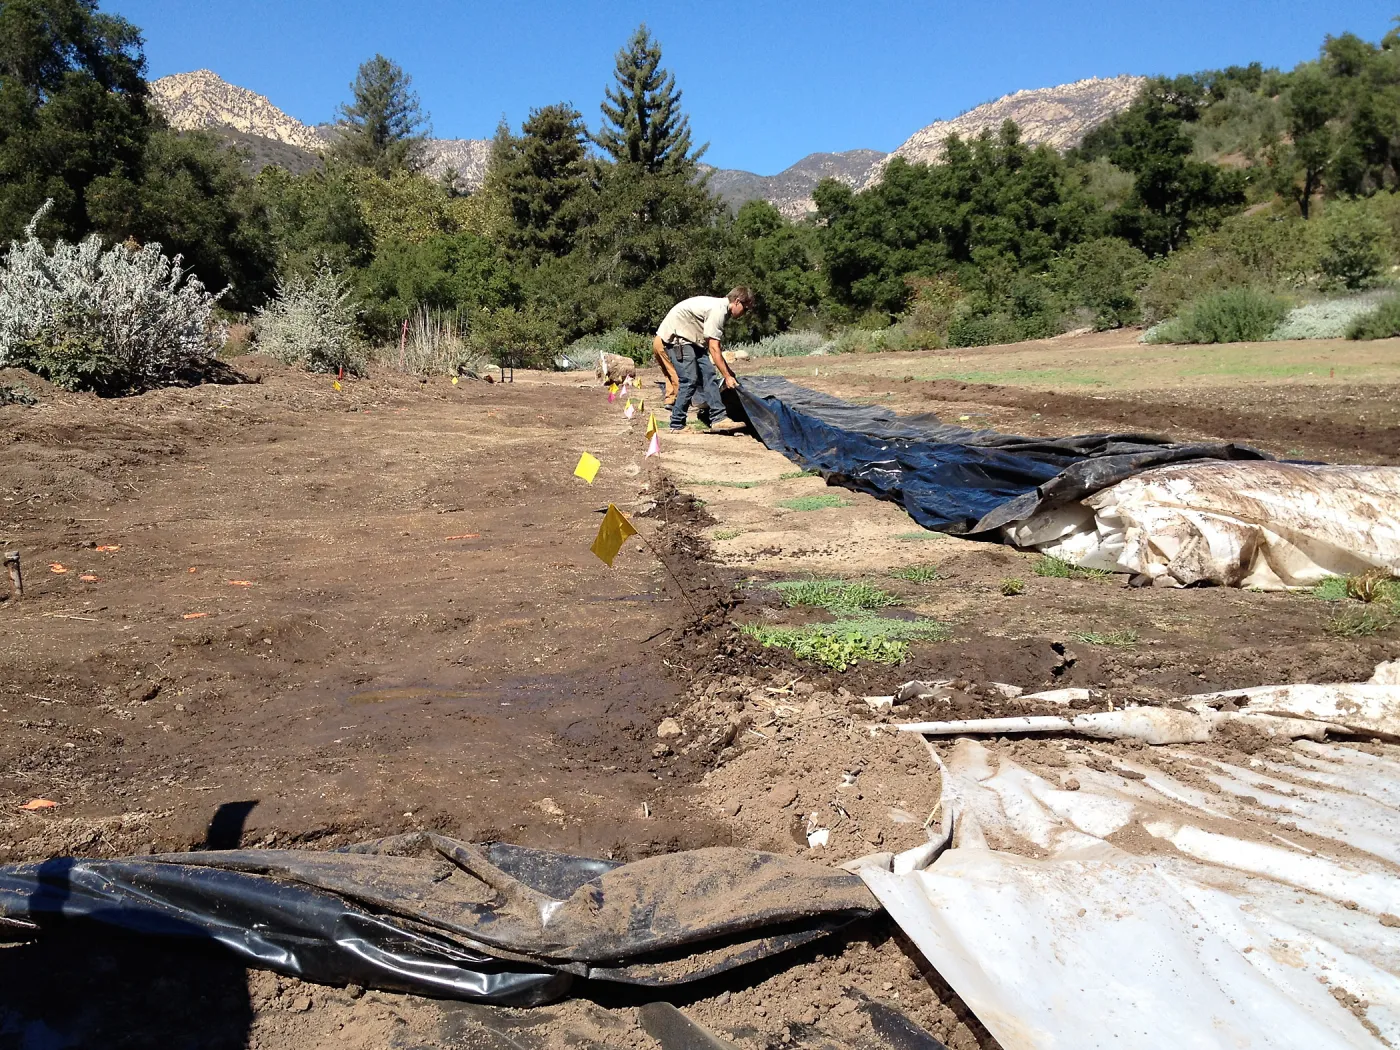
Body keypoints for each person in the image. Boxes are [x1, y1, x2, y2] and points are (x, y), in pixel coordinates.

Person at [655, 286, 754, 433]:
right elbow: (714, 348)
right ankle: (677, 423)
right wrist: (727, 376)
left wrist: (729, 373)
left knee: (709, 375)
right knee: (689, 380)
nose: (744, 314)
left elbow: (711, 345)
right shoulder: (719, 310)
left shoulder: (722, 309)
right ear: (737, 302)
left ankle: (718, 419)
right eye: (745, 309)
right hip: (678, 338)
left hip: (692, 339)